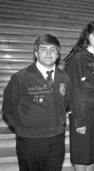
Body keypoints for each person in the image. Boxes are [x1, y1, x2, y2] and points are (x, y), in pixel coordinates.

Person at [2, 34, 70, 171]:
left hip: (57, 139)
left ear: (58, 54)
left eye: (53, 50)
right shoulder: (21, 78)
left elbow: (66, 103)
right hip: (30, 141)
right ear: (36, 53)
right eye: (44, 49)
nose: (49, 53)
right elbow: (8, 109)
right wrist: (25, 129)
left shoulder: (64, 77)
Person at [64, 21, 94, 171]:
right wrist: (79, 120)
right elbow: (75, 90)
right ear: (87, 36)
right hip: (84, 111)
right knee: (82, 153)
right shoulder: (78, 58)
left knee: (93, 153)